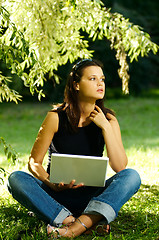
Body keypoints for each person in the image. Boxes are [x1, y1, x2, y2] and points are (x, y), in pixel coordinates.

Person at [8, 59, 141, 238]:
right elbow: (34, 163)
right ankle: (82, 222)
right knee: (16, 179)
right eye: (92, 79)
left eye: (102, 79)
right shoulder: (55, 117)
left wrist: (106, 128)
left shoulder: (109, 120)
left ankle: (73, 228)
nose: (100, 83)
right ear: (77, 85)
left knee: (132, 176)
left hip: (92, 197)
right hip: (56, 196)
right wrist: (50, 184)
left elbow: (120, 167)